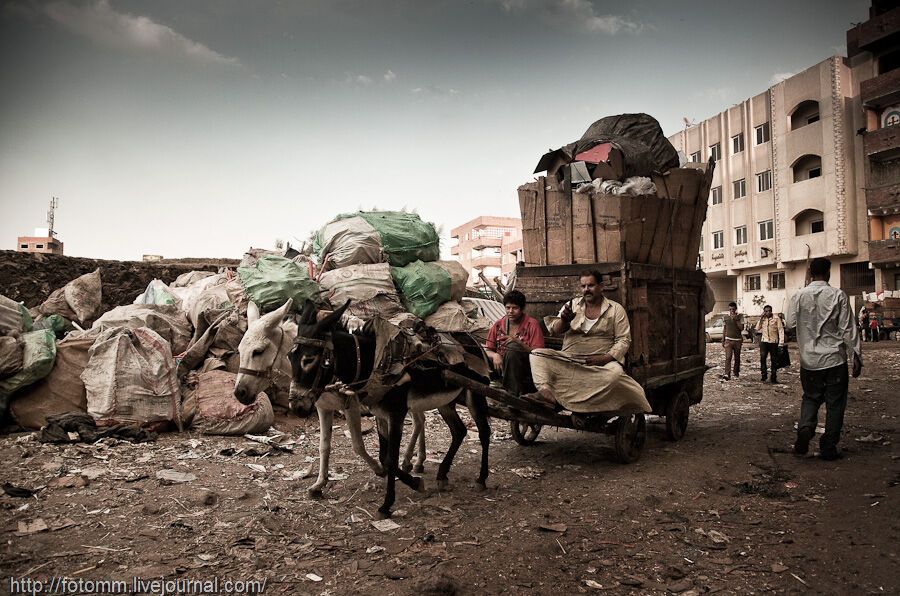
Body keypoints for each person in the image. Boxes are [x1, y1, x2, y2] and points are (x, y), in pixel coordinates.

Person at [524, 271, 650, 414]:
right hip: (570, 359)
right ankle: (547, 394)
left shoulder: (615, 309)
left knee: (614, 377)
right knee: (536, 354)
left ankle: (586, 406)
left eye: (590, 285)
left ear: (601, 287)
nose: (586, 290)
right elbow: (556, 329)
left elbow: (623, 339)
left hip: (602, 363)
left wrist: (605, 358)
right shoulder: (572, 305)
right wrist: (564, 320)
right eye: (583, 286)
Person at [786, 257, 862, 461]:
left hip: (809, 361)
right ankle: (828, 448)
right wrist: (856, 355)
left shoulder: (798, 296)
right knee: (835, 404)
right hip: (835, 360)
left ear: (810, 273)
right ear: (828, 273)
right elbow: (848, 328)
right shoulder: (838, 295)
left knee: (810, 398)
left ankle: (805, 428)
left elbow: (790, 323)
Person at [484, 290, 544, 396]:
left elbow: (539, 353)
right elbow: (488, 349)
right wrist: (495, 355)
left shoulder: (532, 324)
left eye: (515, 308)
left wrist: (518, 342)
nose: (510, 311)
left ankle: (512, 394)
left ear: (522, 309)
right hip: (500, 368)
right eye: (508, 308)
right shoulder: (498, 325)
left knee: (512, 348)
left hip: (525, 369)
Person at [756, 305, 785, 384]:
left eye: (769, 311)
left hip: (773, 342)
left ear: (771, 311)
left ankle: (773, 377)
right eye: (766, 311)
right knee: (762, 358)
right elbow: (757, 328)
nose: (767, 312)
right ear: (764, 311)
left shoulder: (776, 318)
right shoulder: (763, 319)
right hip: (764, 341)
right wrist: (761, 318)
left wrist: (781, 343)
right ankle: (764, 375)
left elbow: (781, 330)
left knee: (774, 360)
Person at [722, 302, 744, 380]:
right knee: (728, 357)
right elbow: (725, 328)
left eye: (733, 309)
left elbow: (741, 328)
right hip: (728, 340)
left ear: (736, 309)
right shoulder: (725, 317)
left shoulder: (740, 317)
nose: (732, 311)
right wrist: (723, 339)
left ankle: (736, 372)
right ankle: (727, 374)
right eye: (730, 309)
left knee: (737, 358)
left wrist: (735, 319)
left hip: (737, 340)